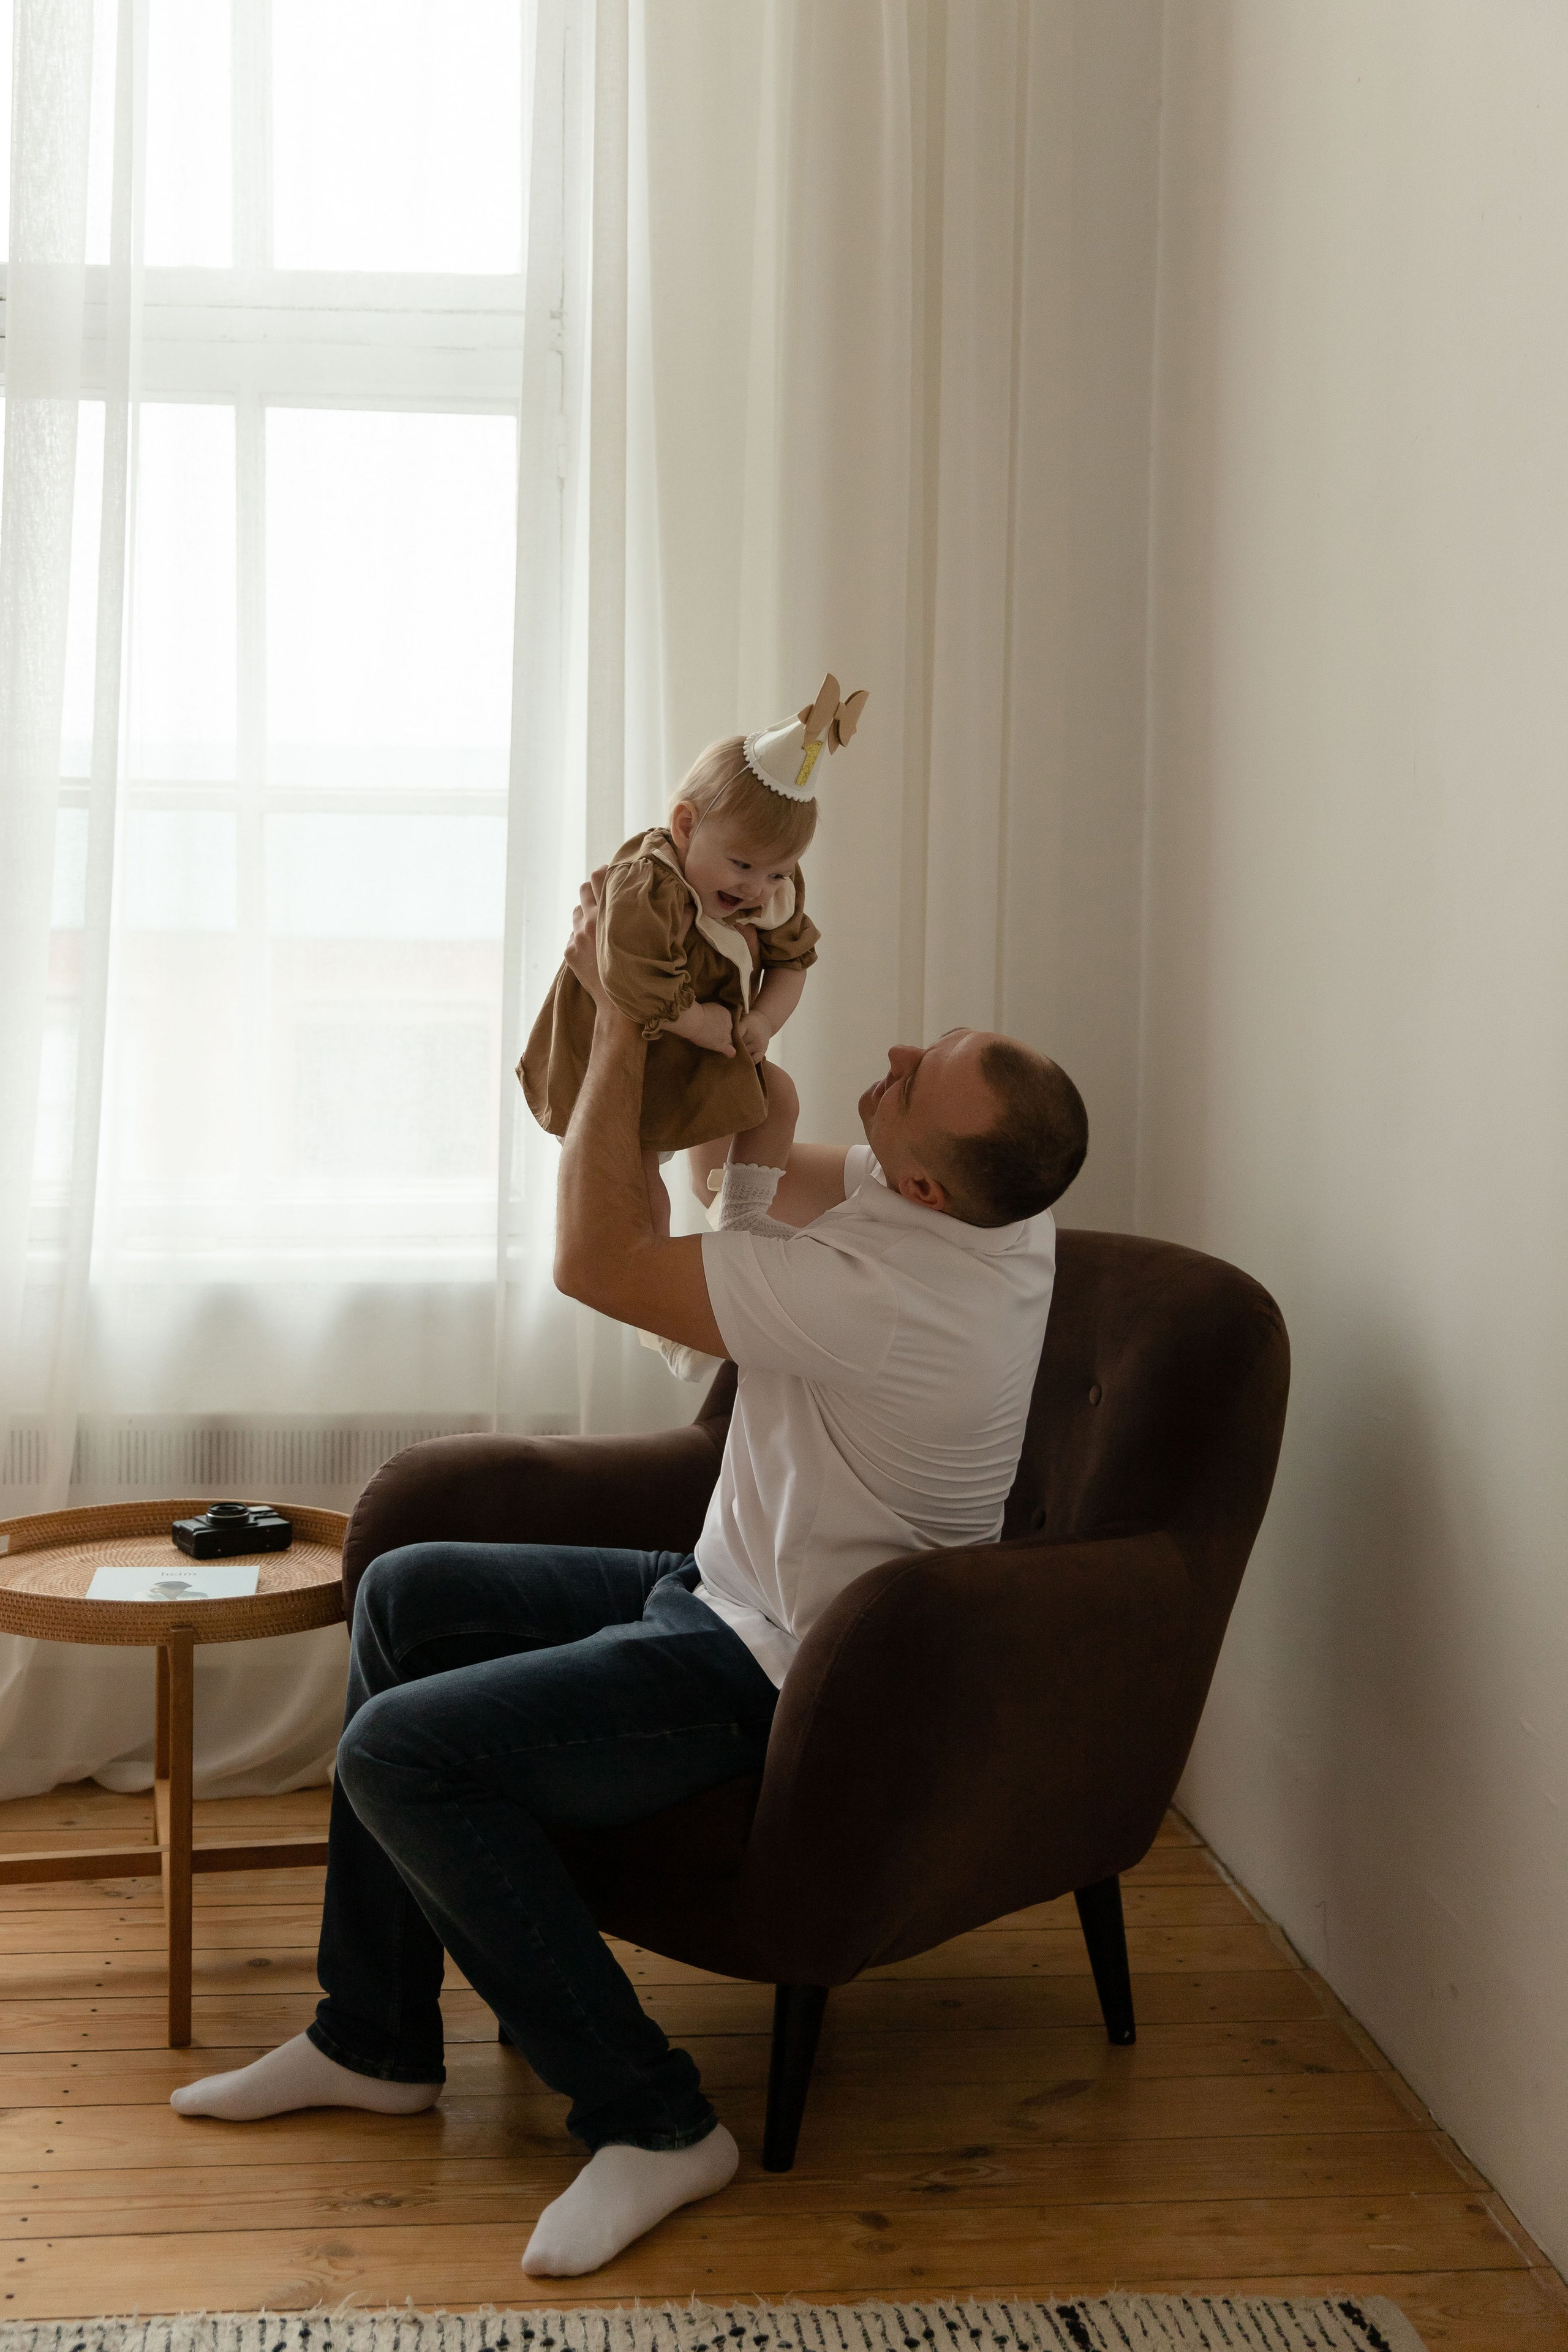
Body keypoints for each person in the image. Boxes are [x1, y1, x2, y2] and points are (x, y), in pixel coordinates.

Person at [168, 874, 1089, 2283]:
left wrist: (608, 1017)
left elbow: (594, 1260)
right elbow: (786, 1150)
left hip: (780, 1669)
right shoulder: (987, 1214)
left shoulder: (896, 1296)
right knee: (412, 1587)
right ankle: (375, 2036)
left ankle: (653, 2117)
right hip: (719, 1578)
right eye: (934, 1042)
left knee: (400, 1754)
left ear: (923, 1184)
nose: (898, 1054)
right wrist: (735, 1070)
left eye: (920, 1076)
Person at [518, 674, 867, 1245]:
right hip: (635, 1048)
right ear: (685, 826)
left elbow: (791, 963)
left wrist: (763, 1021)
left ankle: (743, 1217)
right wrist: (699, 1022)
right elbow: (627, 975)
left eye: (778, 871)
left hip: (705, 1048)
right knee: (640, 1168)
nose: (758, 889)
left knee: (778, 1097)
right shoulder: (649, 883)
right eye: (742, 865)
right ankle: (647, 1257)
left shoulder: (773, 887)